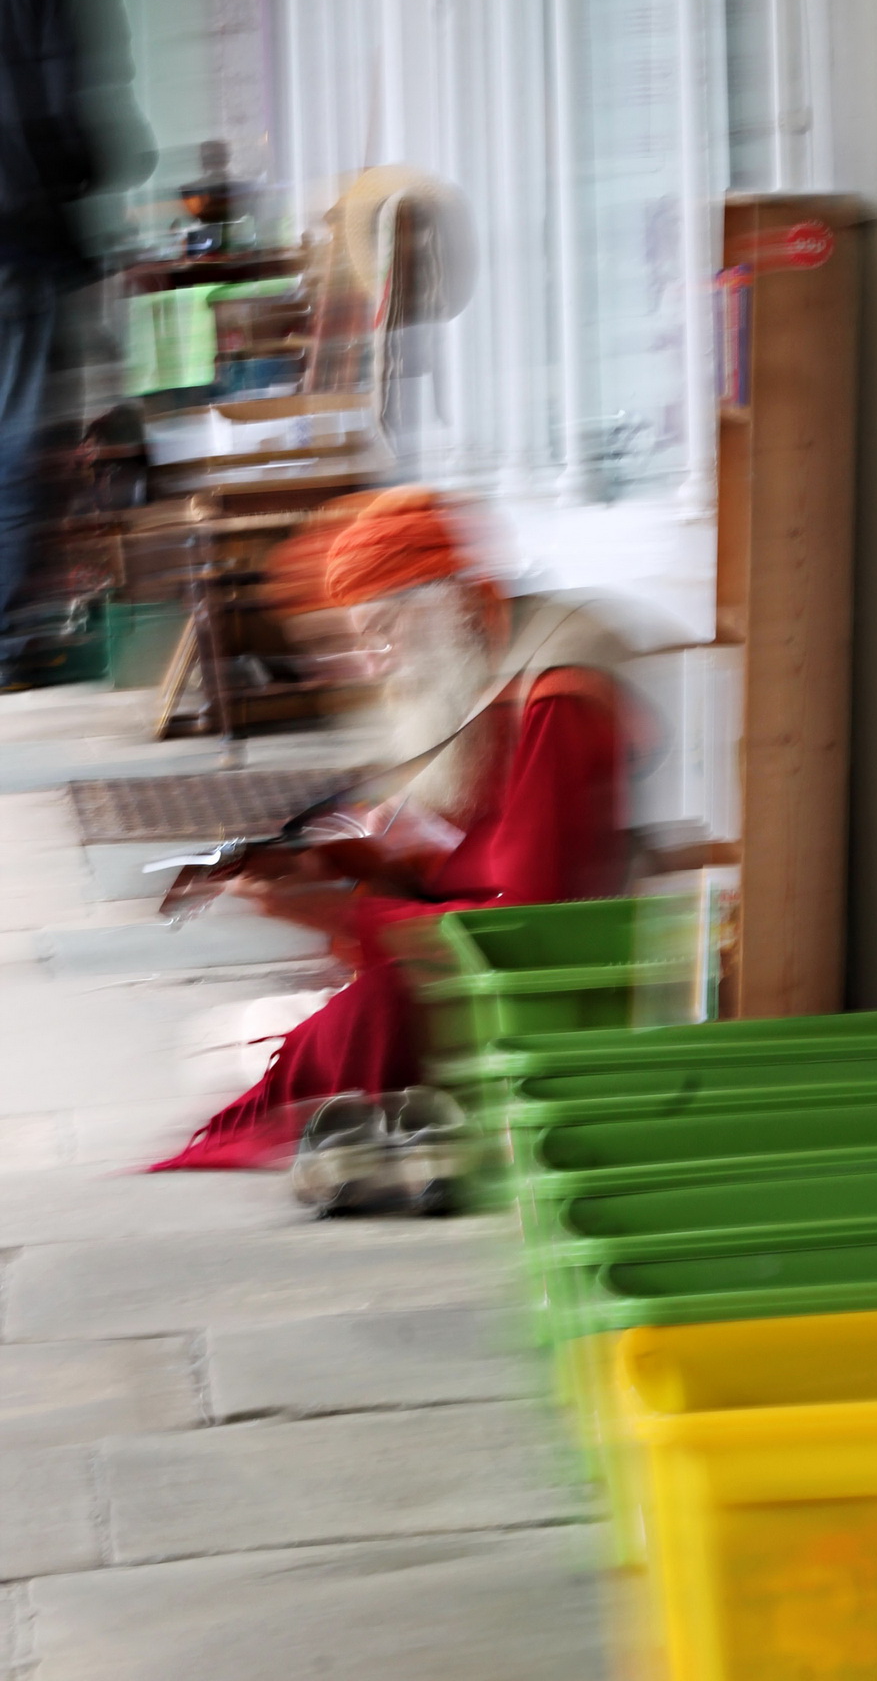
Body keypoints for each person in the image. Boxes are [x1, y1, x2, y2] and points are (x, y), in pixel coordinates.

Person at [152, 487, 635, 1172]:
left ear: (452, 607)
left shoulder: (553, 702)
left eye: (383, 630)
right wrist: (317, 867)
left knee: (307, 1036)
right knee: (235, 1048)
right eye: (361, 641)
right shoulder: (481, 665)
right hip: (466, 960)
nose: (374, 663)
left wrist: (353, 913)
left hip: (539, 1002)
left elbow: (532, 932)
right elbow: (450, 845)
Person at [0, 0, 151, 668]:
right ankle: (12, 638)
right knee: (25, 435)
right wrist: (105, 168)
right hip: (17, 242)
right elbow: (58, 116)